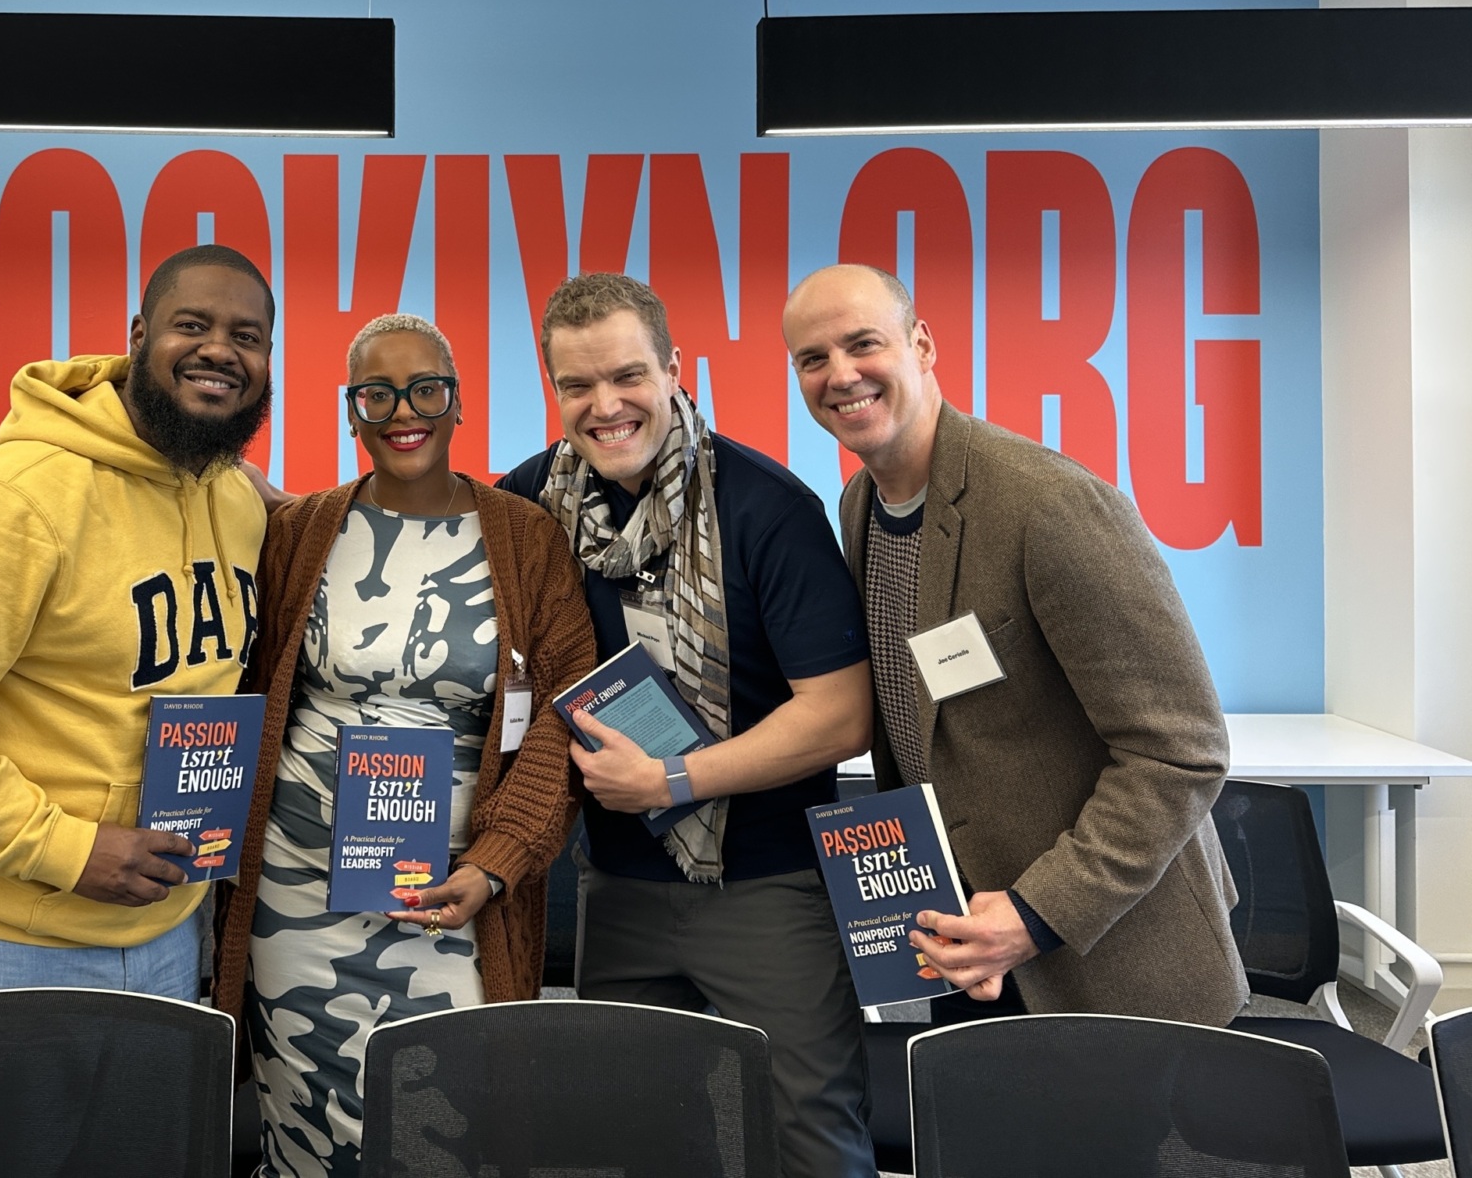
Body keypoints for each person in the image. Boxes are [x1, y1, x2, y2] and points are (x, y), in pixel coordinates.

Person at [781, 262, 1249, 1025]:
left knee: (1121, 1150)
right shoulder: (861, 505)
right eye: (812, 358)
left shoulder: (1049, 506)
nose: (841, 375)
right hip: (971, 953)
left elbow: (1182, 752)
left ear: (922, 345)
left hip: (1110, 960)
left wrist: (1034, 914)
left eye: (863, 343)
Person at [497, 274, 877, 1178]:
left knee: (808, 1139)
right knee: (629, 1138)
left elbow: (841, 715)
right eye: (577, 386)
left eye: (628, 375)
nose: (606, 405)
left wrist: (676, 780)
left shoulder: (768, 509)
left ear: (674, 369)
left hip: (770, 886)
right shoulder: (526, 507)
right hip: (616, 888)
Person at [213, 313, 597, 1178]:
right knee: (305, 1135)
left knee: (450, 1133)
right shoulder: (300, 530)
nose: (403, 411)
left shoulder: (524, 536)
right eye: (376, 394)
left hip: (454, 901)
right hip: (295, 899)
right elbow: (252, 688)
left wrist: (495, 863)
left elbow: (565, 712)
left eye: (426, 387)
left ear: (457, 402)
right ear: (351, 413)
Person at [0, 243, 275, 1001]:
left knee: (141, 1128)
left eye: (247, 336)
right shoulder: (10, 497)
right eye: (192, 325)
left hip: (166, 923)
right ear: (139, 337)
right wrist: (67, 850)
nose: (219, 351)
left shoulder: (235, 501)